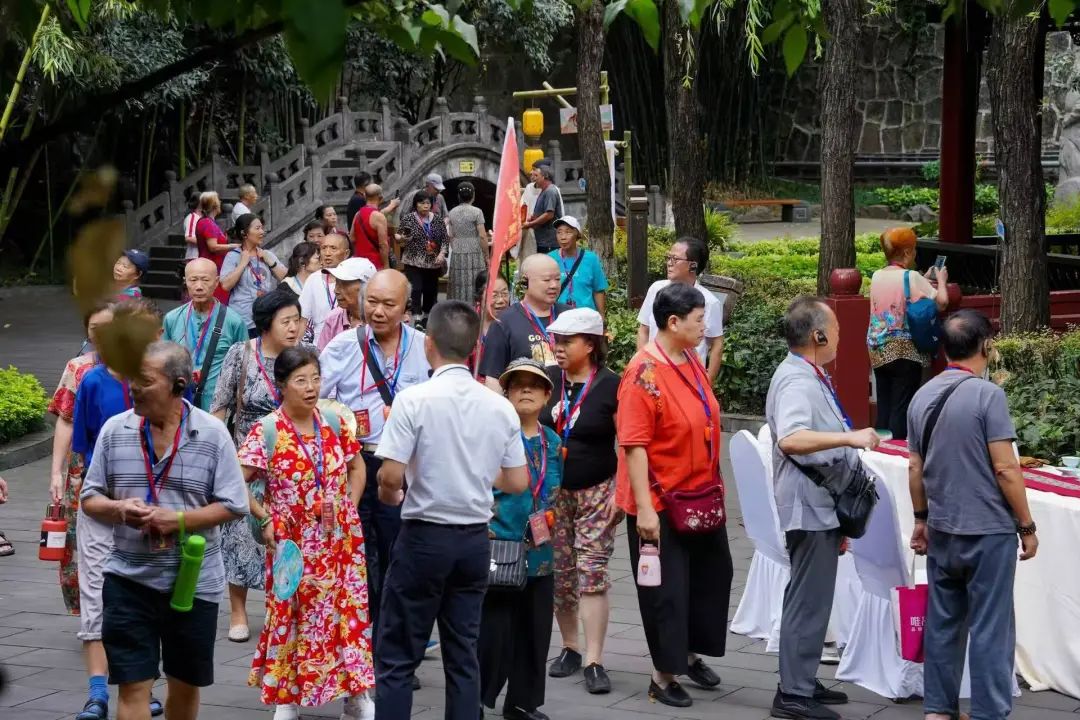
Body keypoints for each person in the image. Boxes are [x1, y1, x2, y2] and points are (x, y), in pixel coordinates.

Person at [372, 300, 529, 720]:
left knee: (398, 655)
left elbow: (390, 476)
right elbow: (517, 481)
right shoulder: (500, 406)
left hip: (423, 536)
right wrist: (475, 472)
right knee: (463, 656)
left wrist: (392, 498)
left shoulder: (413, 400)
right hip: (474, 540)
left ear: (429, 344)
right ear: (475, 347)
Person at [80, 341, 248, 720]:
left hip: (193, 583)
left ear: (178, 385)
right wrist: (119, 509)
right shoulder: (114, 430)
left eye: (145, 381)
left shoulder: (212, 434)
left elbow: (235, 504)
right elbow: (90, 498)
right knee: (133, 685)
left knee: (184, 685)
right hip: (127, 579)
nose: (134, 388)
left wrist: (181, 521)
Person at [907, 309, 1036, 720]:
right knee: (991, 628)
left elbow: (915, 468)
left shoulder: (922, 395)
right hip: (988, 530)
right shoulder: (988, 395)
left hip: (943, 527)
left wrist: (921, 518)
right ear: (986, 346)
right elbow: (1005, 468)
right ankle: (988, 712)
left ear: (944, 348)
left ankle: (938, 710)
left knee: (944, 623)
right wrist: (1027, 525)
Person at [239, 346, 375, 720]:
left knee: (347, 615)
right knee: (290, 615)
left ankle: (355, 695)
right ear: (282, 386)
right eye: (301, 380)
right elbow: (237, 479)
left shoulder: (333, 421)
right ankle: (288, 696)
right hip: (292, 544)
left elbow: (357, 468)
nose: (311, 387)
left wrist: (349, 504)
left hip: (340, 541)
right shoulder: (267, 430)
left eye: (315, 378)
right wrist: (265, 518)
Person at [617, 283, 732, 709]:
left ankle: (687, 653)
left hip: (700, 493)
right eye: (699, 319)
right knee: (667, 588)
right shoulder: (643, 373)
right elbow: (633, 444)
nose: (706, 326)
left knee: (711, 576)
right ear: (673, 322)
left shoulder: (690, 359)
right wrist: (645, 508)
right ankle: (662, 675)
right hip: (662, 500)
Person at [765, 296, 881, 720]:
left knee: (812, 595)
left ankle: (801, 678)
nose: (839, 337)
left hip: (819, 503)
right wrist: (850, 439)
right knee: (809, 599)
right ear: (817, 336)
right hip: (808, 504)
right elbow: (791, 438)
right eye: (834, 330)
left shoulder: (806, 373)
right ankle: (793, 694)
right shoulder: (798, 381)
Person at [320, 269, 430, 634]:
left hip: (401, 465)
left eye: (388, 304)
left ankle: (393, 637)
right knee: (358, 551)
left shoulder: (423, 346)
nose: (378, 311)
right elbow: (319, 404)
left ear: (405, 307)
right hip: (356, 462)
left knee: (397, 551)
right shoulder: (342, 346)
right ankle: (360, 634)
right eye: (372, 302)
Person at [210, 291, 304, 643]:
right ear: (267, 325)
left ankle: (279, 607)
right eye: (287, 321)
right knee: (238, 536)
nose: (295, 328)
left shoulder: (305, 357)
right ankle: (238, 612)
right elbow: (220, 407)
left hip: (291, 460)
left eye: (298, 319)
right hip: (245, 459)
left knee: (284, 535)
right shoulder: (242, 354)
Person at [540, 308, 621, 694]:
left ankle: (594, 659)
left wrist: (622, 491)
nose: (558, 347)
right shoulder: (546, 380)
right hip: (553, 494)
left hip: (597, 490)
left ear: (590, 345)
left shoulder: (611, 385)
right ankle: (569, 646)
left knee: (592, 571)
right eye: (556, 340)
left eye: (567, 341)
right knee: (561, 574)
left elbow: (629, 441)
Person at [480, 359, 562, 720]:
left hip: (540, 551)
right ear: (507, 393)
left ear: (547, 395)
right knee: (492, 632)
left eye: (534, 384)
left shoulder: (553, 441)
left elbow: (558, 492)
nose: (525, 390)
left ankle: (522, 702)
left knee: (535, 630)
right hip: (499, 545)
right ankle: (478, 699)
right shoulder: (493, 435)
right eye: (517, 385)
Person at [47, 300, 115, 719]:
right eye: (94, 327)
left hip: (126, 470)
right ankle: (93, 618)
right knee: (80, 546)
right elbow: (66, 421)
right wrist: (55, 473)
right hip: (83, 467)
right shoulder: (79, 368)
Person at [868, 226, 949, 440]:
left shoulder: (877, 276)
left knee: (884, 404)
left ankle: (881, 450)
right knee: (901, 407)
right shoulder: (911, 276)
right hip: (904, 351)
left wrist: (924, 276)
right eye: (913, 250)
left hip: (878, 349)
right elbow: (942, 303)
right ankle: (897, 451)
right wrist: (940, 279)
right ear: (905, 252)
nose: (915, 254)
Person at [162, 258, 249, 411]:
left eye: (205, 280)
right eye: (193, 280)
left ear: (216, 282)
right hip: (180, 404)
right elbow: (163, 362)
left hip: (218, 407)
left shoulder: (233, 321)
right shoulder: (172, 318)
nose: (199, 287)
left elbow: (245, 367)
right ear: (185, 282)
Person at [480, 254, 569, 390]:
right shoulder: (504, 322)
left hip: (567, 405)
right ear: (525, 282)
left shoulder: (570, 316)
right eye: (546, 280)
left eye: (557, 279)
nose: (554, 285)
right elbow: (493, 380)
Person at [220, 214, 287, 336]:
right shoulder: (233, 256)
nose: (262, 232)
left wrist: (270, 262)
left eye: (262, 228)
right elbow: (225, 285)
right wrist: (242, 264)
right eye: (257, 228)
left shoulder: (266, 254)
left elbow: (286, 279)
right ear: (244, 233)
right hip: (243, 320)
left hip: (266, 318)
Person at [398, 191, 449, 325]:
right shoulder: (409, 219)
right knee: (416, 288)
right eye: (422, 203)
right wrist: (401, 238)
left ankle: (427, 315)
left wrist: (441, 254)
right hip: (413, 260)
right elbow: (400, 236)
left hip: (432, 261)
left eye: (428, 203)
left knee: (430, 290)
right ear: (416, 205)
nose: (425, 206)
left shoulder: (437, 220)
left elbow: (444, 239)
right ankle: (417, 316)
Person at [548, 216, 607, 313]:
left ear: (577, 234)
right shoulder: (549, 259)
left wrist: (602, 319)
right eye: (559, 232)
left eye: (568, 232)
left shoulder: (591, 259)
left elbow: (598, 290)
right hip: (558, 318)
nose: (563, 237)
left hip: (586, 318)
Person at [300, 231, 350, 343]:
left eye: (333, 248)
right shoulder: (313, 279)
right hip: (320, 344)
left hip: (347, 342)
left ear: (346, 254)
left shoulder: (353, 280)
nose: (327, 253)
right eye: (323, 248)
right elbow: (303, 318)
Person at [317, 257, 377, 350]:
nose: (336, 290)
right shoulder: (333, 319)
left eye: (344, 284)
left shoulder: (380, 321)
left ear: (366, 286)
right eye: (337, 283)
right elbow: (322, 357)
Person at [446, 181, 489, 302]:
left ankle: (458, 304)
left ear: (458, 196)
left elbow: (450, 235)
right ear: (473, 195)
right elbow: (482, 236)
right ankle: (475, 305)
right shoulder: (477, 212)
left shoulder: (452, 212)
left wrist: (456, 246)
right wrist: (486, 255)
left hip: (458, 249)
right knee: (475, 279)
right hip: (474, 249)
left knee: (458, 280)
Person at [195, 191, 238, 303]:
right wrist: (232, 246)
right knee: (216, 302)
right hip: (212, 267)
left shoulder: (207, 222)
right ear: (214, 205)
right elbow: (213, 247)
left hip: (211, 266)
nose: (220, 202)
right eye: (218, 200)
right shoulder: (207, 223)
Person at [470, 270, 511, 376]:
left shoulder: (514, 322)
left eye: (505, 294)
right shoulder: (467, 323)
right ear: (479, 298)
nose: (501, 300)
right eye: (494, 295)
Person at [523, 165, 562, 254]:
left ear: (544, 177)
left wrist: (531, 223)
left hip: (549, 242)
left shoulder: (550, 191)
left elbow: (549, 214)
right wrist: (534, 218)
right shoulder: (543, 191)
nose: (533, 178)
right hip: (542, 240)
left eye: (536, 176)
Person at [352, 183, 392, 270]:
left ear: (364, 196)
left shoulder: (357, 214)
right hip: (375, 264)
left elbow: (352, 238)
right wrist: (386, 266)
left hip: (359, 263)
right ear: (380, 198)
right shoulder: (379, 217)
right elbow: (383, 245)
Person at [182, 194, 201, 262]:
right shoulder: (193, 218)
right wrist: (207, 243)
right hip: (194, 257)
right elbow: (189, 238)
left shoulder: (201, 218)